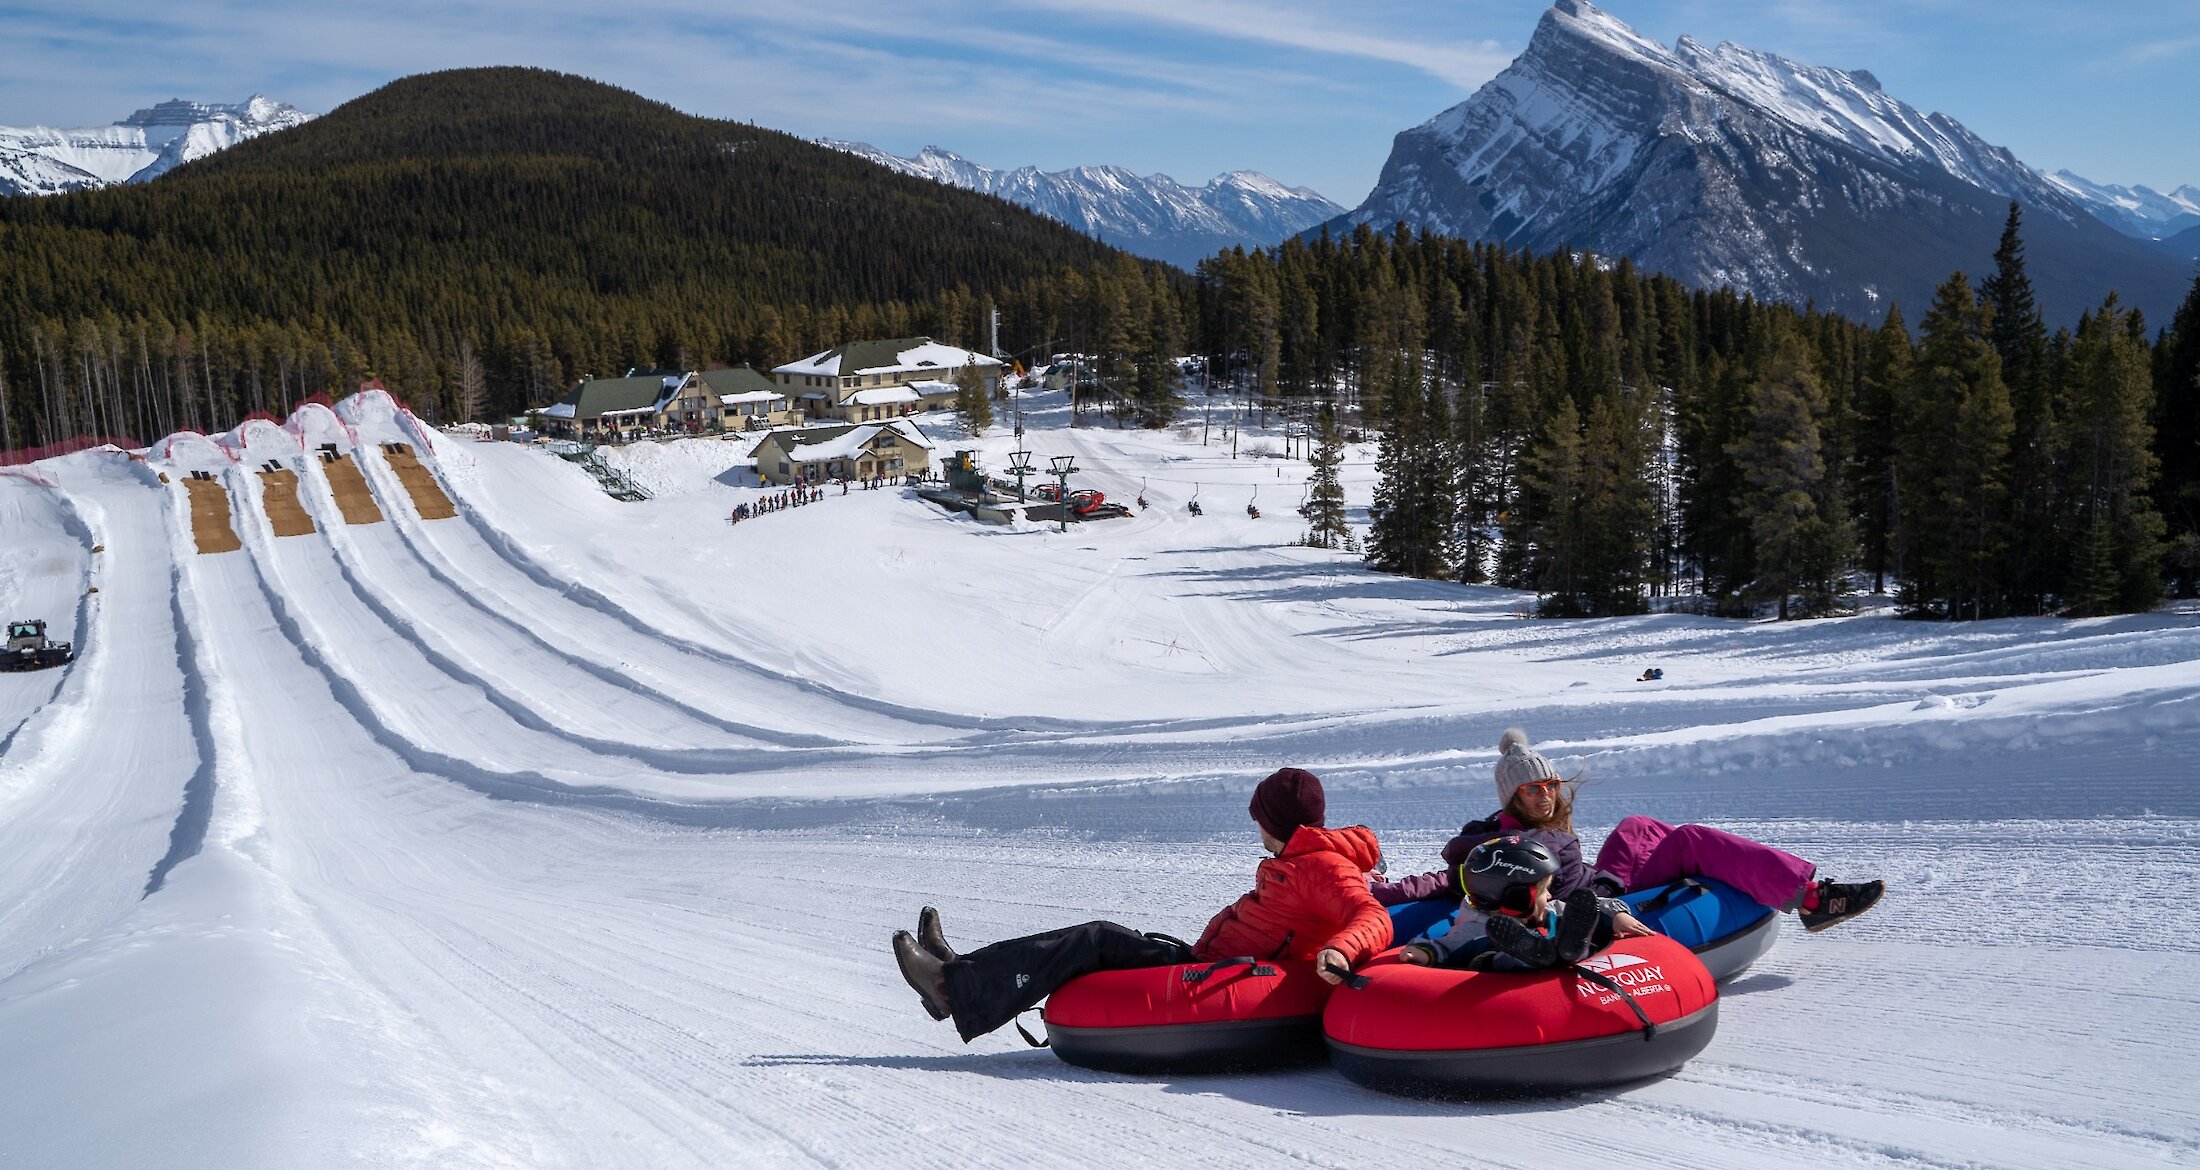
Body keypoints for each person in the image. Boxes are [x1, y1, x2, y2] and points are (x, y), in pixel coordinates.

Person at [891, 767, 1391, 1043]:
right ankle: (959, 969)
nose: (1254, 826)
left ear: (1276, 822)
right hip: (1214, 965)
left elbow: (1372, 915)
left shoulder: (1323, 866)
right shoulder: (1300, 858)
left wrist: (1343, 950)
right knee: (1097, 939)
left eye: (1258, 817)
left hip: (1226, 974)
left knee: (1096, 938)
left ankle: (951, 990)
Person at [1373, 729, 1884, 937]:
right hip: (1597, 903)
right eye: (1533, 789)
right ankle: (1812, 898)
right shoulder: (1500, 846)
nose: (1547, 795)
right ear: (1512, 797)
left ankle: (1796, 887)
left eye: (1550, 785)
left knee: (1639, 825)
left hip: (1604, 882)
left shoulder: (1539, 826)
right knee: (1693, 840)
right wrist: (1377, 891)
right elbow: (1443, 883)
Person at [1396, 836, 1653, 970]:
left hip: (1559, 955)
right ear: (1516, 898)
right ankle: (1539, 954)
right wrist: (1423, 953)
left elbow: (1592, 905)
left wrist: (1616, 914)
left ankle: (1567, 949)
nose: (1550, 896)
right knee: (1491, 951)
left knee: (1572, 920)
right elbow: (1439, 947)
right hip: (1497, 974)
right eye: (1543, 891)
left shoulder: (1549, 911)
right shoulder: (1471, 930)